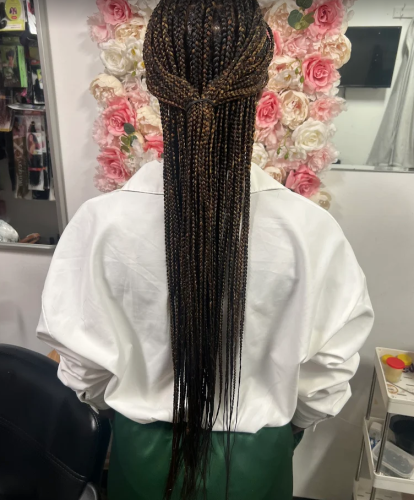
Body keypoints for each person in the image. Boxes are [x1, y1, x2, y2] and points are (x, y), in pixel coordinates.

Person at [37, 1, 374, 499]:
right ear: (259, 82)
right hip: (257, 465)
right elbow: (327, 376)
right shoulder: (310, 231)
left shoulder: (100, 225)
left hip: (142, 462)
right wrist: (283, 420)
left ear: (156, 83)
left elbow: (84, 371)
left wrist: (134, 400)